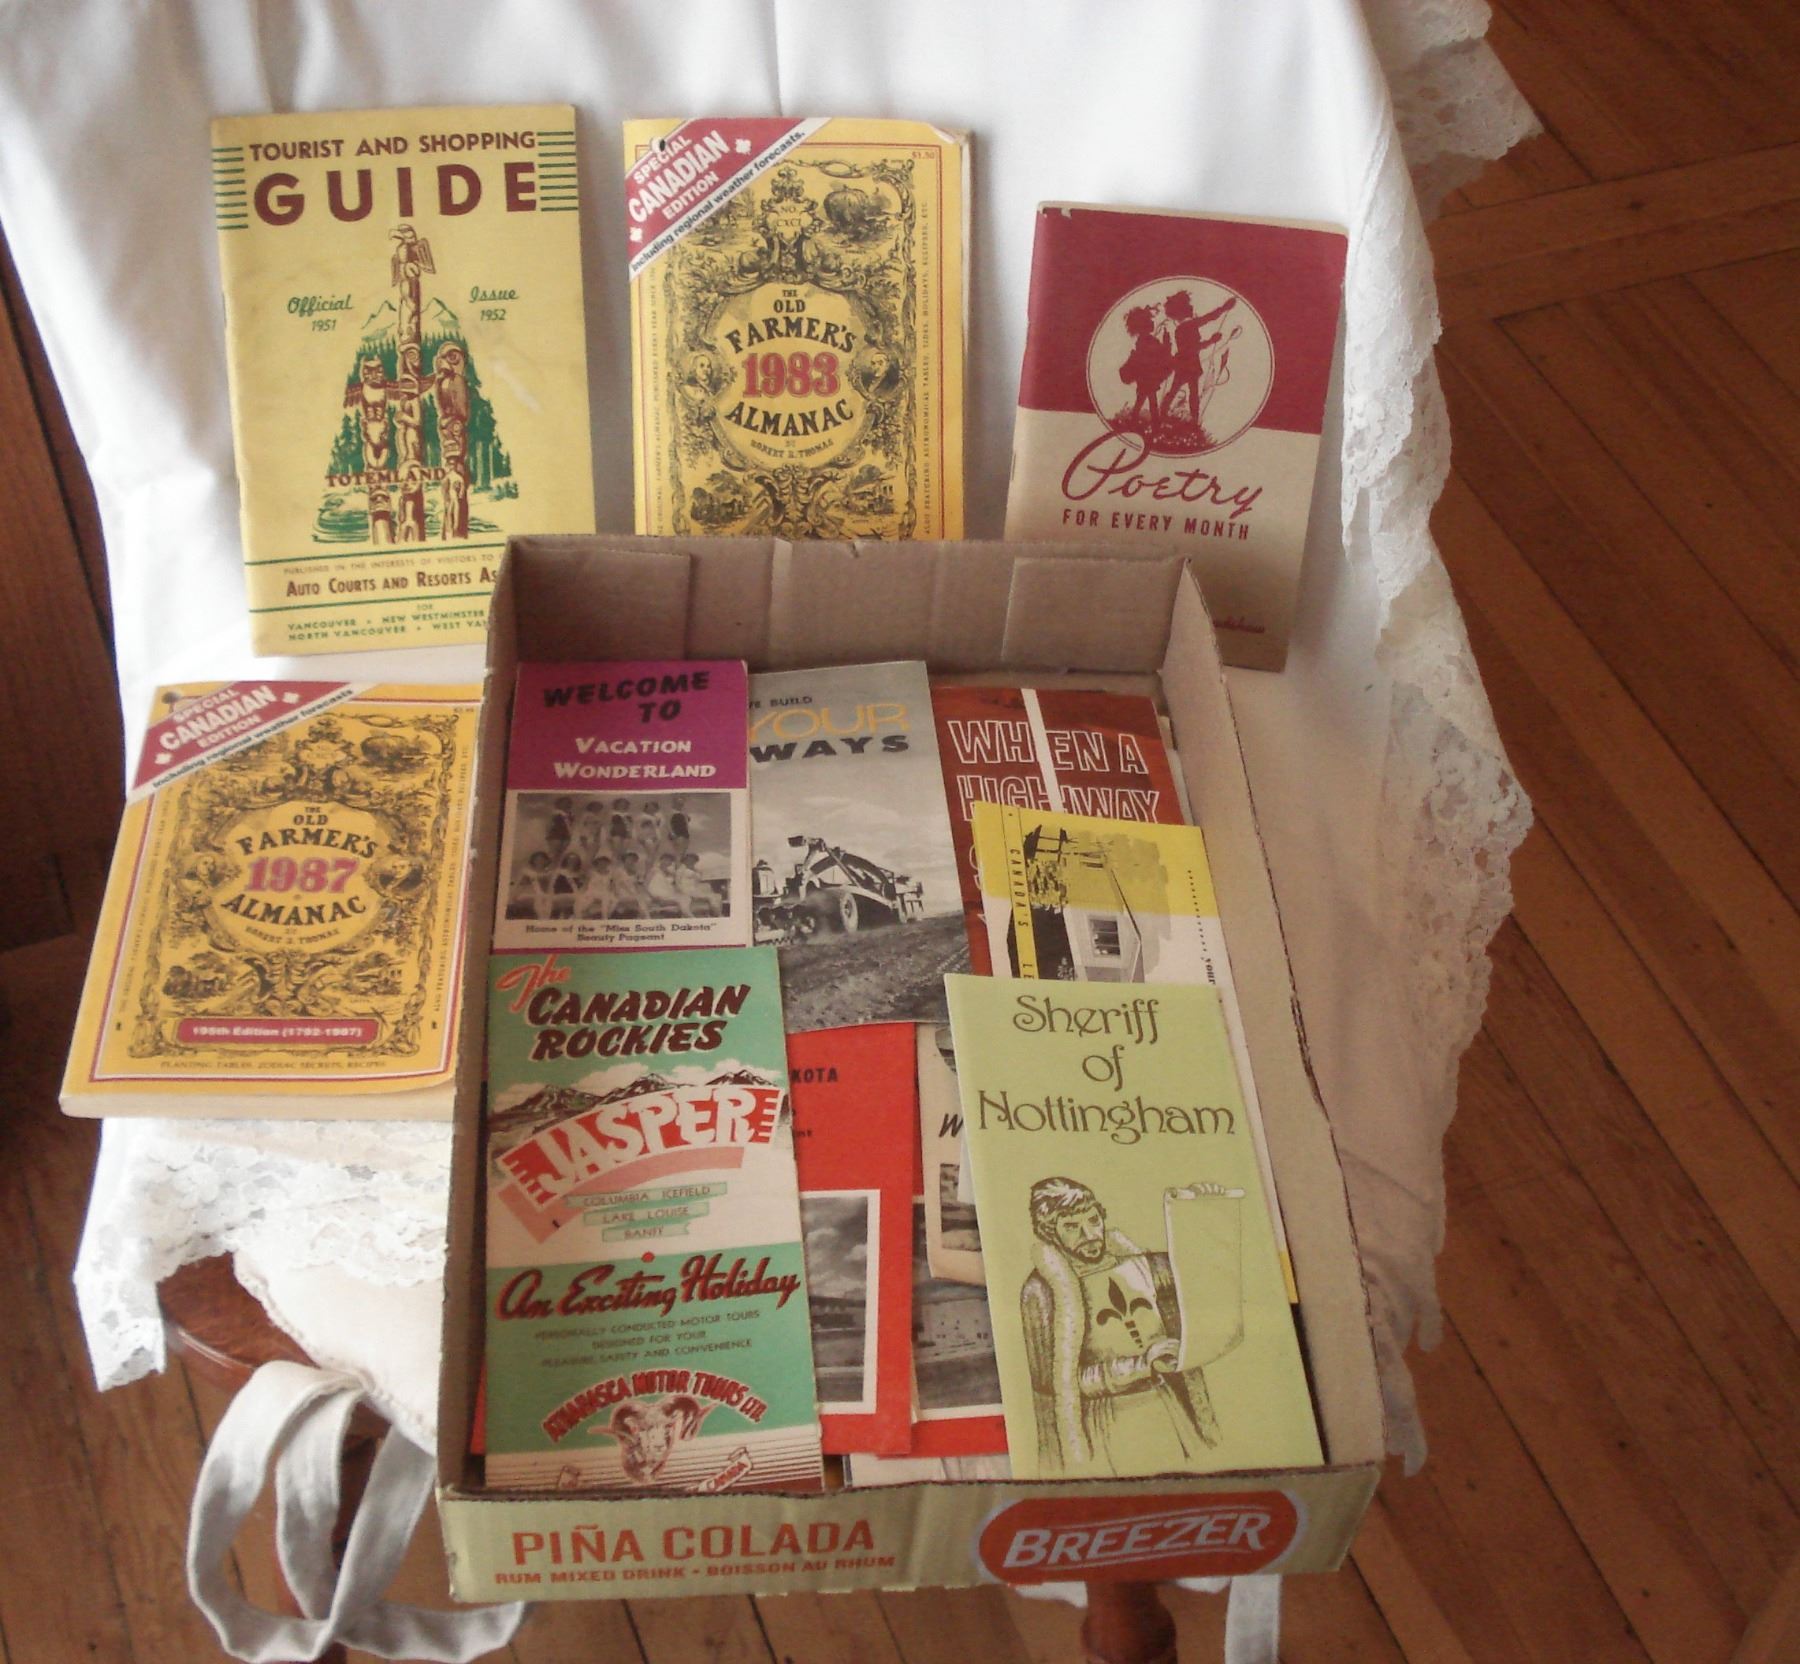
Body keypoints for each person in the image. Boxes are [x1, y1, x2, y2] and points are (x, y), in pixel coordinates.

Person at [1020, 1176, 1224, 1476]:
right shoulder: (1042, 1292)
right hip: (1105, 1427)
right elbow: (1051, 1383)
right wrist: (1141, 1366)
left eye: (1093, 1220)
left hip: (1168, 1410)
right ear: (1051, 1232)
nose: (1089, 1234)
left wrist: (1204, 1211)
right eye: (1072, 1227)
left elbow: (1203, 1272)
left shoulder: (1145, 1266)